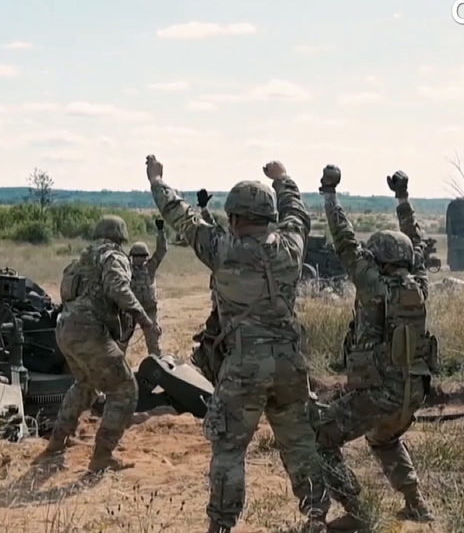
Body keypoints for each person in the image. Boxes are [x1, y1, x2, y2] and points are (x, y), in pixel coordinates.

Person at [146, 154, 329, 533]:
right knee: (299, 442)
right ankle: (317, 516)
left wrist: (158, 181)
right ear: (268, 216)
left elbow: (181, 217)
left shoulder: (222, 249)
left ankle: (221, 525)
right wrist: (283, 178)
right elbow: (297, 214)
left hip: (245, 366)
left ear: (234, 218)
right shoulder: (291, 248)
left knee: (229, 448)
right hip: (289, 364)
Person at [315, 166, 436, 531]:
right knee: (384, 438)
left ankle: (356, 511)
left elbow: (344, 240)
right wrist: (403, 198)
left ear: (378, 260)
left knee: (320, 438)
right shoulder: (420, 286)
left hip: (379, 393)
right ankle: (416, 504)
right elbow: (415, 243)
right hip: (412, 393)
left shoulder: (372, 286)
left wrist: (329, 193)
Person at [45, 215, 160, 473]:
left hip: (65, 328)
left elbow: (66, 292)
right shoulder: (114, 256)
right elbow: (118, 288)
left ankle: (57, 440)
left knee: (85, 383)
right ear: (121, 236)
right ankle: (102, 455)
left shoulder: (82, 258)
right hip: (89, 331)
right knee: (124, 389)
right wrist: (144, 320)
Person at [127, 217, 168, 356]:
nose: (139, 259)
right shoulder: (126, 269)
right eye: (136, 256)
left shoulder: (150, 267)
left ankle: (157, 364)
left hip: (149, 309)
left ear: (146, 257)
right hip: (131, 310)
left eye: (142, 256)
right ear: (132, 257)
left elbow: (162, 250)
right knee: (121, 340)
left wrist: (161, 231)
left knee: (153, 342)